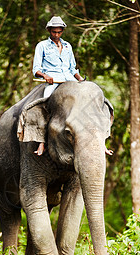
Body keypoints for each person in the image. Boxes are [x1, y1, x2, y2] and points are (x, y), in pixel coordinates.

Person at [33, 16, 83, 155]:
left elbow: (73, 69)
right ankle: (41, 142)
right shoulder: (42, 46)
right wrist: (45, 76)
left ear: (62, 31)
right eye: (54, 32)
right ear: (49, 30)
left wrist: (80, 80)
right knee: (44, 107)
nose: (56, 35)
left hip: (69, 81)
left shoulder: (68, 46)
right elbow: (36, 69)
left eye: (59, 32)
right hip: (53, 82)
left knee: (87, 104)